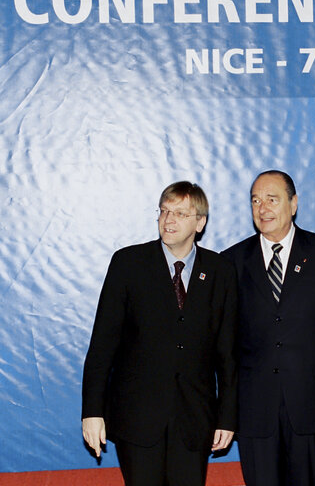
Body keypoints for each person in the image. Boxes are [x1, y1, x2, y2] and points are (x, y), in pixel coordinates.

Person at [81, 181, 238, 486]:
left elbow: (227, 353)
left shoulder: (221, 271)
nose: (169, 220)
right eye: (164, 211)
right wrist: (92, 412)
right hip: (138, 421)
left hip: (194, 422)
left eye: (180, 213)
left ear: (200, 222)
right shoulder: (128, 263)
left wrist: (228, 417)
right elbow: (102, 346)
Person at [222, 170, 315, 486]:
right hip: (254, 409)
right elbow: (224, 345)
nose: (262, 208)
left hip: (310, 404)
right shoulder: (231, 261)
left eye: (271, 199)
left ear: (293, 204)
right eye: (255, 200)